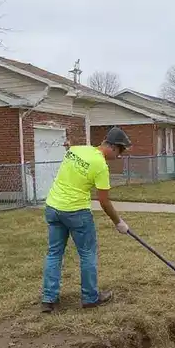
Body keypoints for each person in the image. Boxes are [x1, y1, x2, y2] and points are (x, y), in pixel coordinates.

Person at [41, 127, 131, 312]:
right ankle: (90, 298)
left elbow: (71, 149)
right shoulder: (100, 166)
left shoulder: (77, 150)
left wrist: (69, 145)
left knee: (54, 253)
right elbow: (104, 202)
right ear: (113, 147)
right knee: (87, 254)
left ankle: (49, 299)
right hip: (77, 212)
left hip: (53, 208)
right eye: (120, 151)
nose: (120, 156)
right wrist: (118, 223)